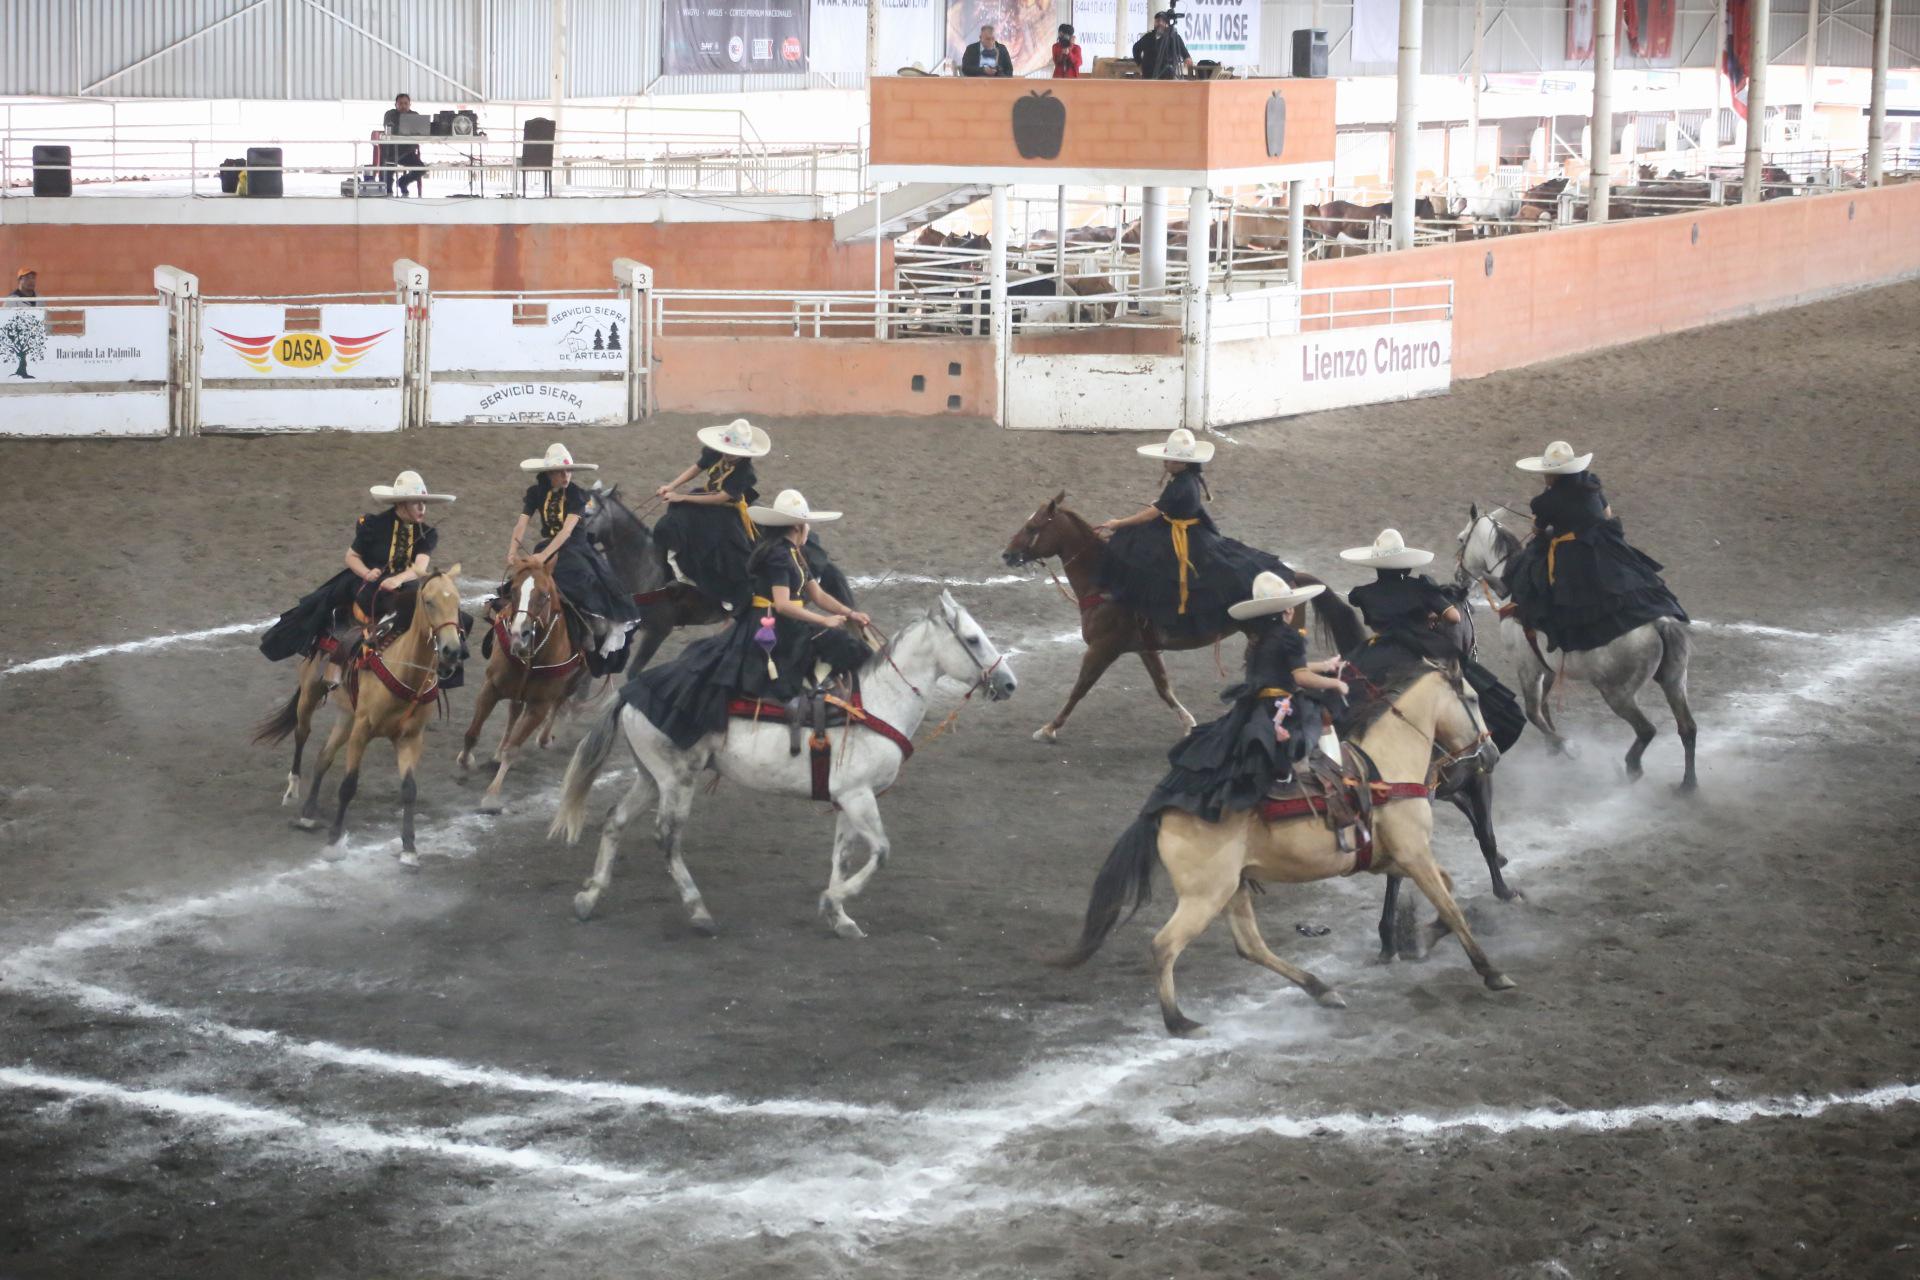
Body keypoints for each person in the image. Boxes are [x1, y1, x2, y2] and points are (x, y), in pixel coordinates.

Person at [625, 490, 873, 750]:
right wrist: (824, 622)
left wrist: (849, 613)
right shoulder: (779, 556)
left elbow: (818, 594)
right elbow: (783, 604)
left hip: (785, 621)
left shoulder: (796, 554)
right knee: (842, 645)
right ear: (800, 526)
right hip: (771, 625)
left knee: (839, 643)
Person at [1129, 572, 1349, 826]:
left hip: (1255, 705)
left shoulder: (1259, 637)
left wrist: (1324, 665)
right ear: (1284, 610)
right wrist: (1336, 682)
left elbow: (1285, 664)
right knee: (1322, 718)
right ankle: (1330, 787)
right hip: (1281, 706)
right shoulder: (1290, 636)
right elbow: (1299, 676)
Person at [1340, 528, 1526, 750]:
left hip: (1379, 650)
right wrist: (1432, 615)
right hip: (1424, 646)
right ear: (1406, 564)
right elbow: (1455, 617)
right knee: (1481, 697)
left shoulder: (1362, 594)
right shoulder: (1421, 587)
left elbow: (1374, 622)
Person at [1094, 428, 1290, 638]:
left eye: (1169, 460)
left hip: (1186, 536)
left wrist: (1119, 523)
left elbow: (1148, 516)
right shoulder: (1188, 478)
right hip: (1185, 527)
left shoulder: (1181, 484)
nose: (1165, 463)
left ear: (1183, 463)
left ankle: (1150, 614)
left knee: (1140, 552)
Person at [259, 471, 454, 674]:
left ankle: (444, 664)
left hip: (405, 582)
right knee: (385, 604)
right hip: (368, 581)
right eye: (416, 503)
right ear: (401, 503)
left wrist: (398, 579)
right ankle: (354, 650)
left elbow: (419, 568)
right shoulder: (374, 525)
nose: (422, 508)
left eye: (423, 503)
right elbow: (351, 557)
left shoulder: (427, 532)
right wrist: (366, 573)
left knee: (442, 611)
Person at [1506, 441, 1688, 652]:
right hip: (1605, 542)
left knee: (1534, 573)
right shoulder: (1590, 482)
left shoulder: (1545, 501)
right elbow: (1607, 514)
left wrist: (1552, 526)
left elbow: (1538, 529)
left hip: (1574, 551)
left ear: (1554, 475)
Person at [508, 442, 643, 669]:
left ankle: (587, 626)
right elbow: (521, 524)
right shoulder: (535, 493)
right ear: (549, 473)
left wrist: (543, 557)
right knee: (519, 585)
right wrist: (512, 551)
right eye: (561, 471)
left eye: (568, 471)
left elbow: (566, 531)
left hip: (575, 547)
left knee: (580, 580)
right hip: (547, 545)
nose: (566, 476)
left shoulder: (577, 495)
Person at [654, 417, 770, 602]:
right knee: (674, 518)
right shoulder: (715, 453)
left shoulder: (745, 473)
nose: (728, 455)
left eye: (732, 452)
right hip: (705, 496)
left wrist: (683, 496)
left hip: (726, 510)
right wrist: (671, 486)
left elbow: (720, 498)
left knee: (723, 548)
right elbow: (696, 468)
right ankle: (672, 563)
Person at [379, 92, 424, 196]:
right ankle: (388, 190)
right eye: (400, 103)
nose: (403, 106)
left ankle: (403, 182)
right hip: (390, 152)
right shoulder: (390, 114)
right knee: (387, 166)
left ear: (409, 105)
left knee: (421, 168)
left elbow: (421, 131)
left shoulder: (415, 115)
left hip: (407, 152)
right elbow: (389, 128)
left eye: (405, 103)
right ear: (396, 105)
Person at [1132, 11, 1193, 80]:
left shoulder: (1173, 37)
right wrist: (1139, 63)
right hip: (1148, 76)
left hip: (1167, 76)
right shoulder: (1148, 37)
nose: (1160, 23)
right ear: (1154, 23)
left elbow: (1183, 51)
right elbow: (1135, 48)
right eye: (1157, 21)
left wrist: (1187, 57)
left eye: (1163, 21)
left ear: (1167, 23)